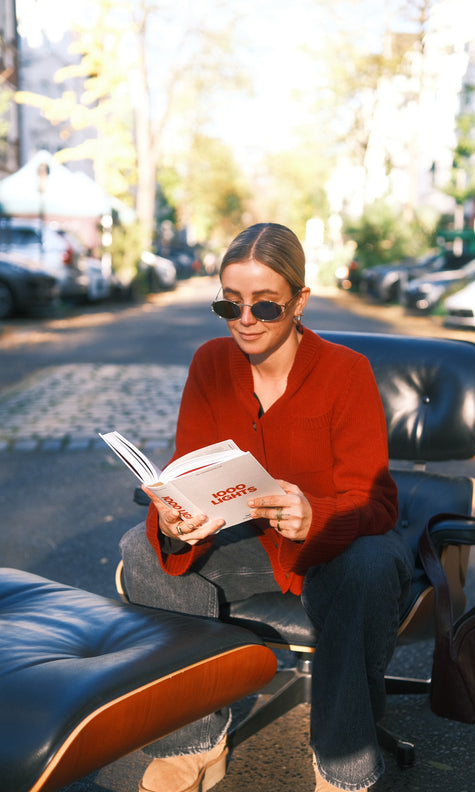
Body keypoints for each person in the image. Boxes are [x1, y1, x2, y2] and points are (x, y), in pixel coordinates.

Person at [120, 222, 414, 792]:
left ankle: (344, 765)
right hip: (249, 547)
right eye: (229, 305)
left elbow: (377, 504)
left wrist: (316, 515)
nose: (245, 320)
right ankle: (194, 744)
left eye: (265, 306)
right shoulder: (210, 363)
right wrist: (177, 520)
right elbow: (190, 474)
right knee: (143, 545)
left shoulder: (346, 373)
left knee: (373, 562)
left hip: (335, 550)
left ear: (300, 301)